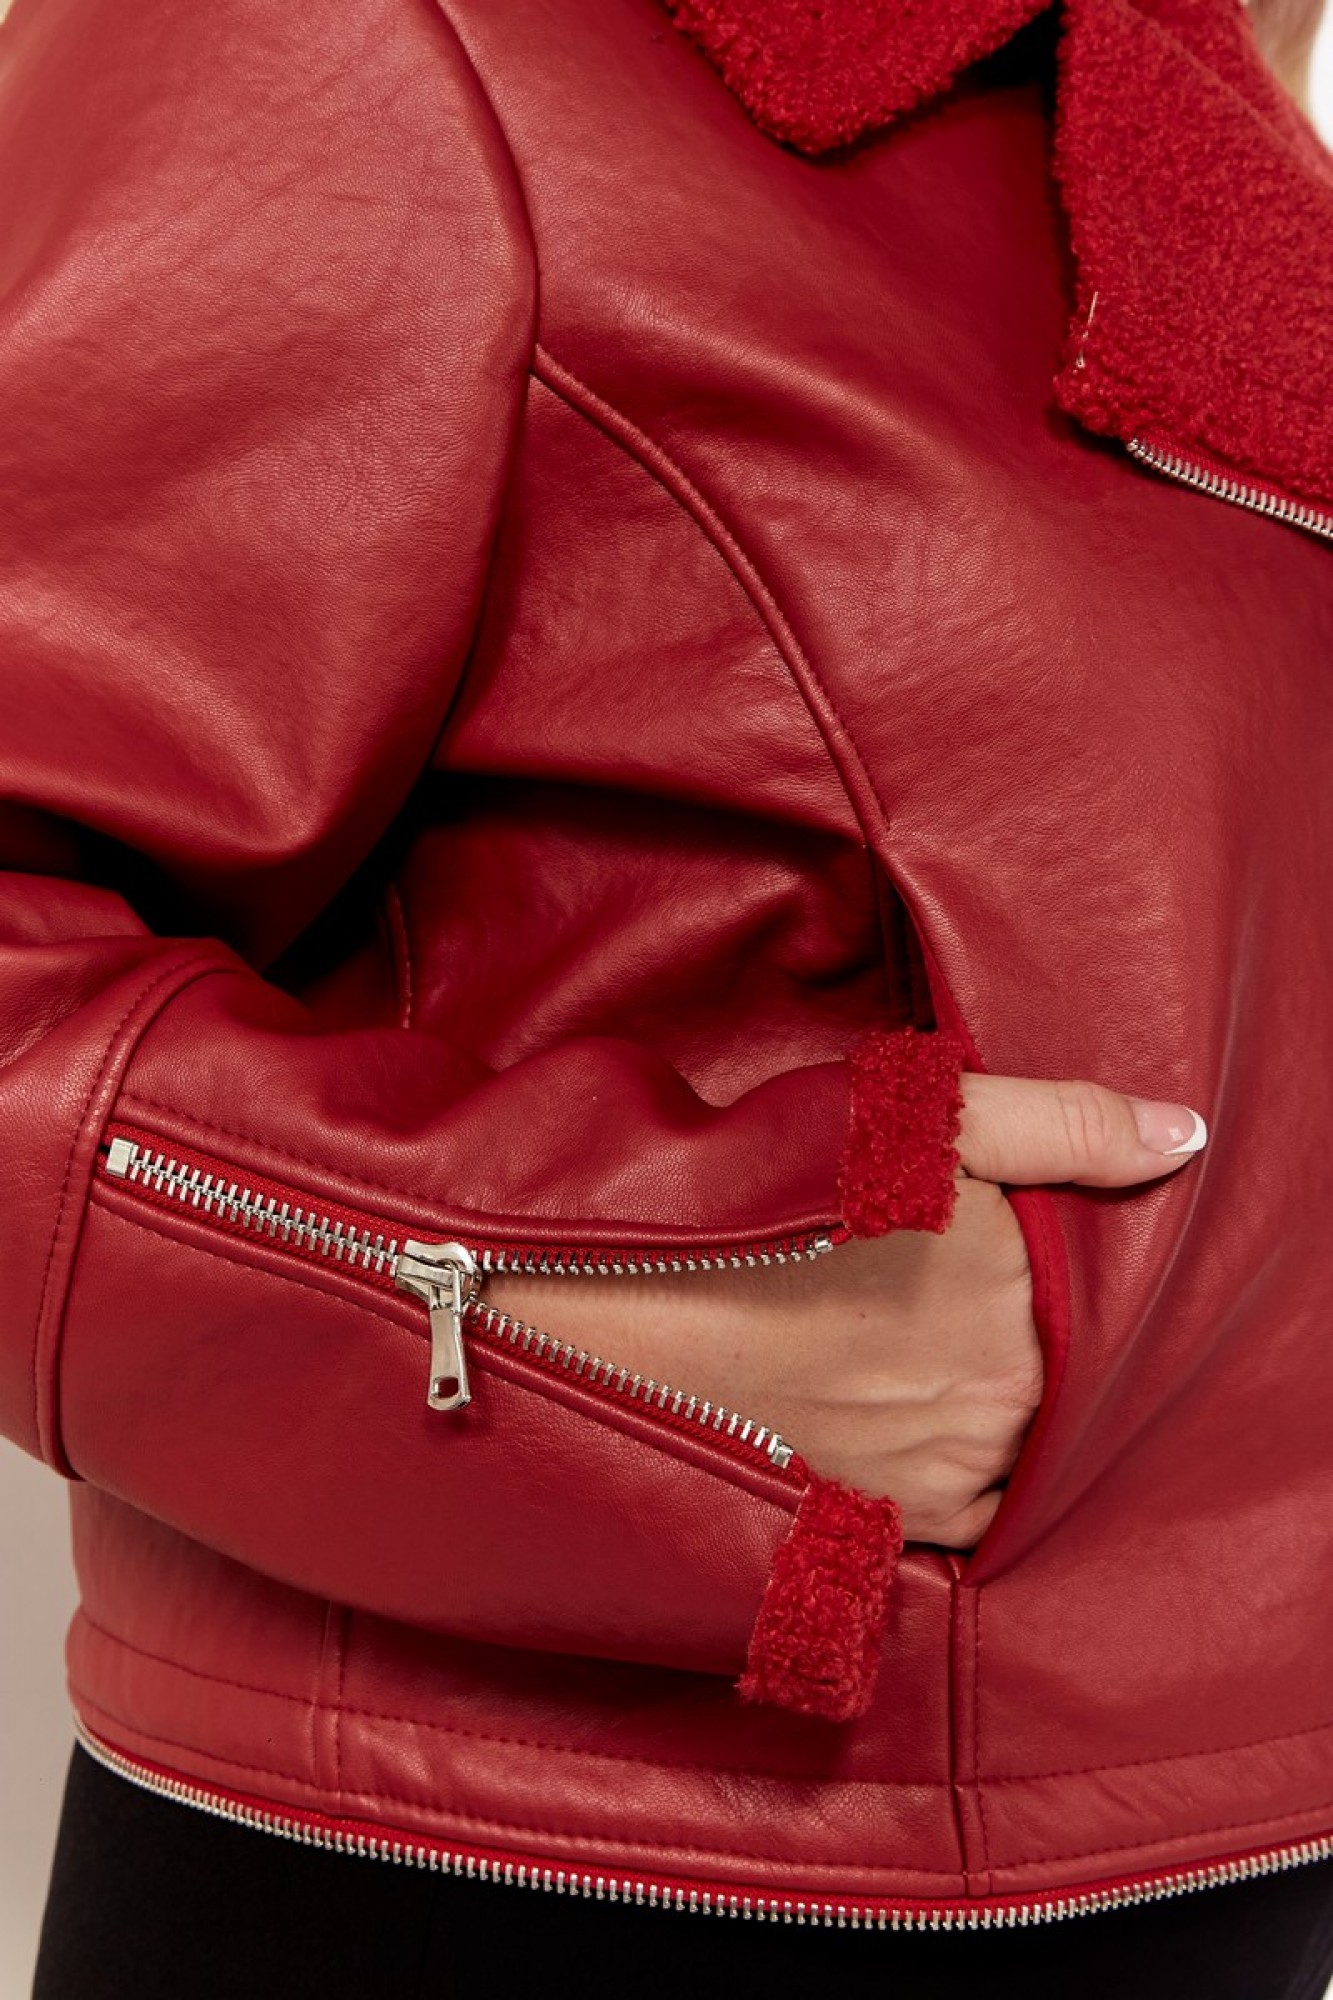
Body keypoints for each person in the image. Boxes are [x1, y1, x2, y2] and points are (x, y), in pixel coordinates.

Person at [3, 0, 1332, 1993]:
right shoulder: (380, 38)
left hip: (1225, 1863)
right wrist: (560, 1299)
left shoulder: (1213, 148)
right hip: (539, 1865)